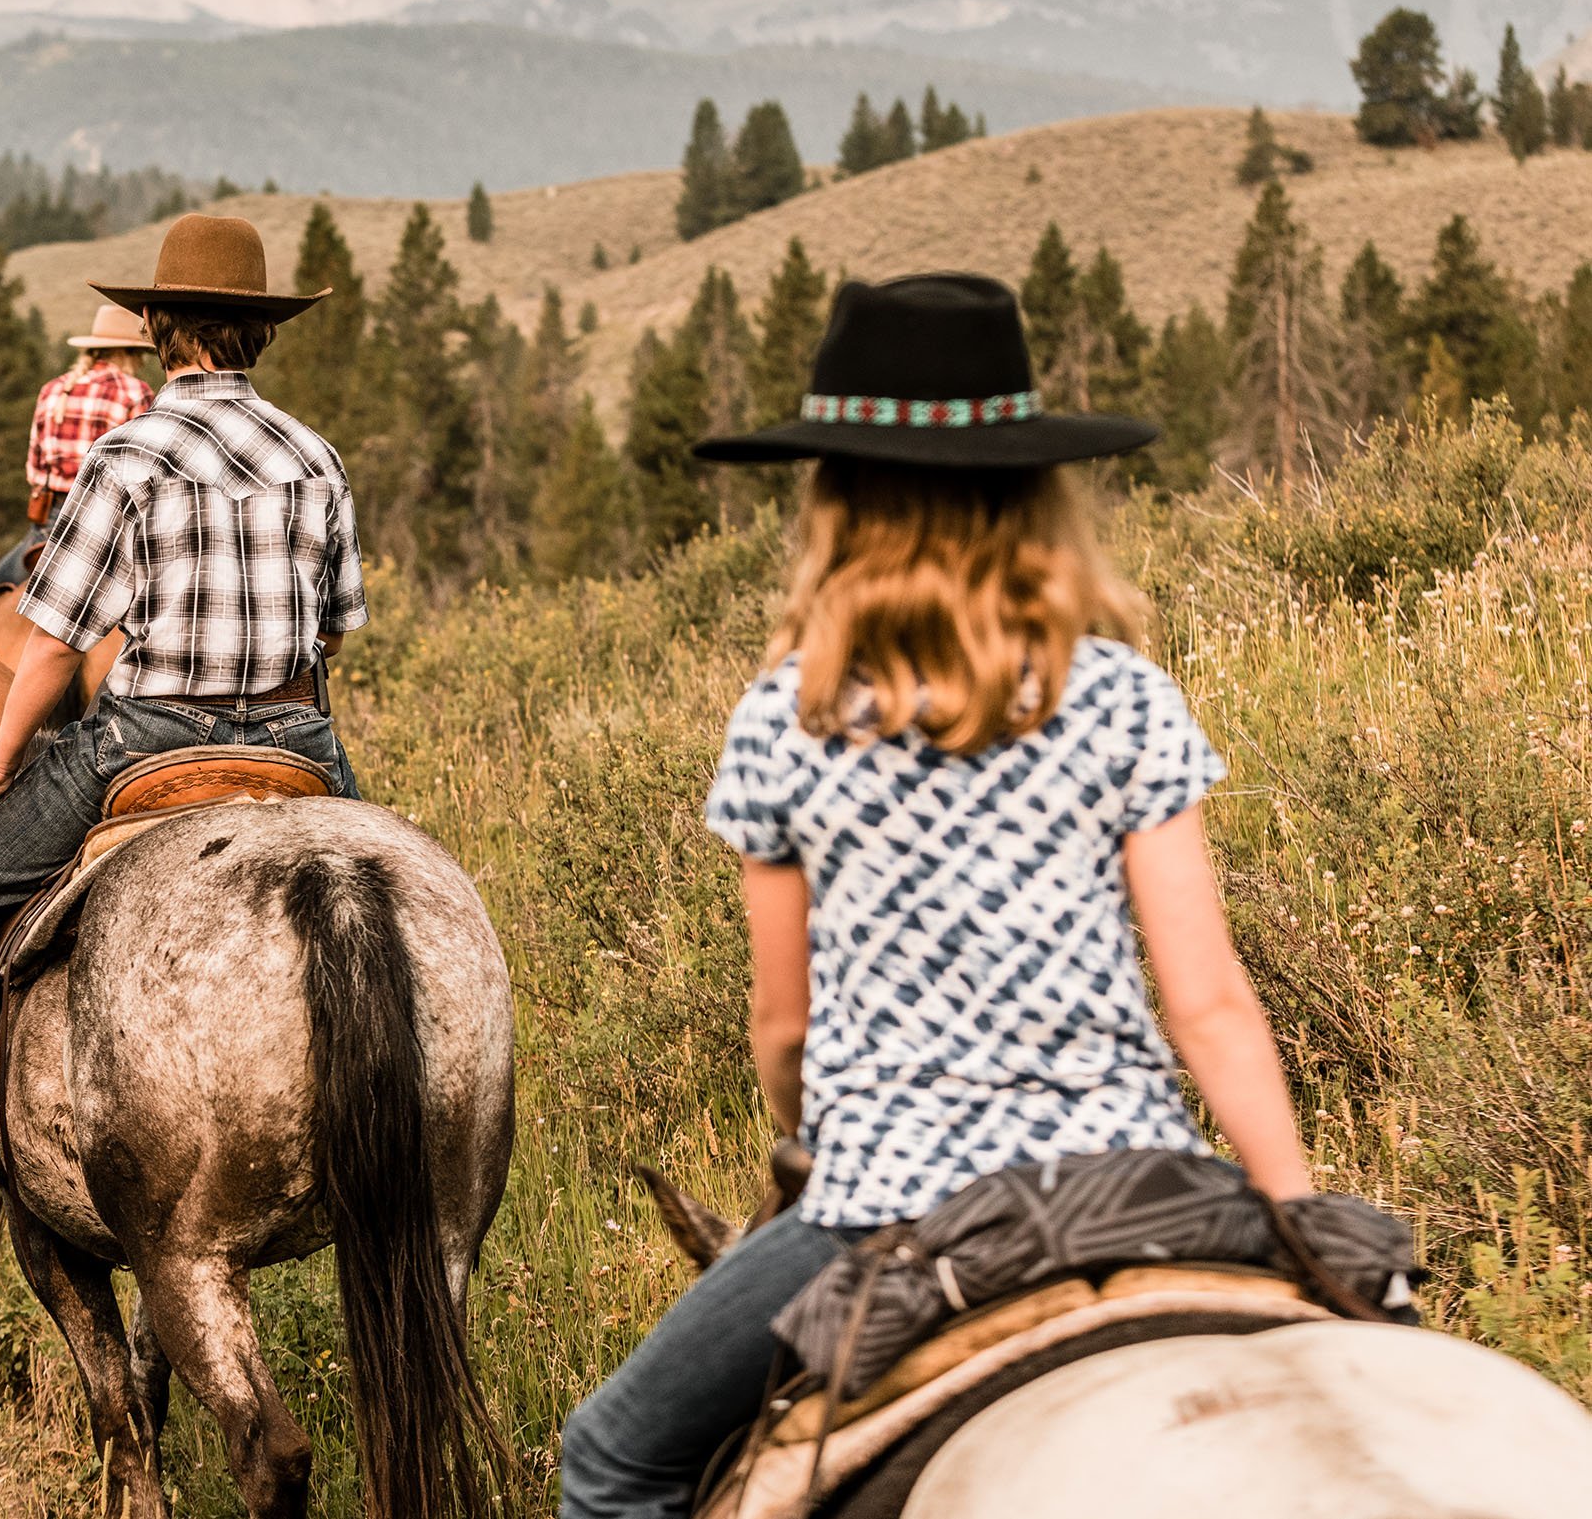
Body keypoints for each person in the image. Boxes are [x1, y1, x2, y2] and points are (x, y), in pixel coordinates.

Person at [556, 274, 1315, 1519]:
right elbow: (1211, 1004)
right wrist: (1297, 1211)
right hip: (1135, 1179)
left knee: (612, 1457)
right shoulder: (1123, 696)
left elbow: (782, 1026)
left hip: (890, 1199)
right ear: (1033, 490)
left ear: (834, 497)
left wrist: (808, 1140)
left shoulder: (787, 717)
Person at [0, 214, 366, 1246]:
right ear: (256, 333)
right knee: (381, 912)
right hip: (296, 743)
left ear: (157, 326)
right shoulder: (316, 457)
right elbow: (333, 633)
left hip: (147, 743)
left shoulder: (128, 455)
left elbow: (49, 643)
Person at [0, 303, 156, 597]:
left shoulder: (54, 389)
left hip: (50, 522)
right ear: (129, 353)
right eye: (141, 356)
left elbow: (34, 470)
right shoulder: (135, 392)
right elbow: (142, 470)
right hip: (104, 522)